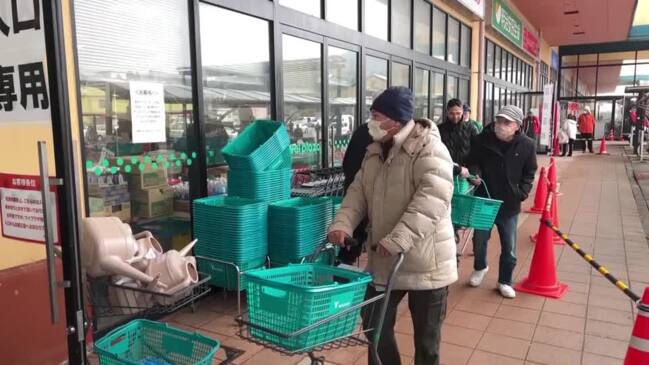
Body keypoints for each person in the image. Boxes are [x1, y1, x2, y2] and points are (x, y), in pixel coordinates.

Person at [328, 86, 456, 365]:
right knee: (374, 325)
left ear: (396, 121)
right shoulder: (374, 151)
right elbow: (358, 191)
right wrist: (343, 223)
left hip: (427, 262)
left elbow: (433, 199)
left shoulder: (430, 148)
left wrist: (399, 238)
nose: (370, 121)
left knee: (426, 341)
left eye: (376, 115)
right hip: (385, 260)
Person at [466, 105, 538, 298]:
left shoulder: (527, 145)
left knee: (509, 245)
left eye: (507, 122)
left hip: (509, 203)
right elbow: (472, 161)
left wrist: (521, 192)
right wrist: (475, 174)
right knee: (479, 240)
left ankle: (505, 281)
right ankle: (480, 267)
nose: (501, 125)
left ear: (517, 126)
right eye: (499, 120)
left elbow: (530, 172)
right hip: (485, 199)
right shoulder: (482, 140)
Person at [336, 122, 372, 265]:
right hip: (358, 189)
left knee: (356, 232)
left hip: (355, 185)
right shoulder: (369, 134)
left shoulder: (364, 130)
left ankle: (345, 263)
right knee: (356, 231)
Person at [439, 99, 478, 178]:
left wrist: (473, 174)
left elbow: (477, 153)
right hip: (445, 173)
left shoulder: (471, 129)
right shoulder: (440, 130)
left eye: (458, 113)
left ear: (462, 112)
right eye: (452, 113)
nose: (455, 117)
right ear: (447, 112)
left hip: (467, 174)